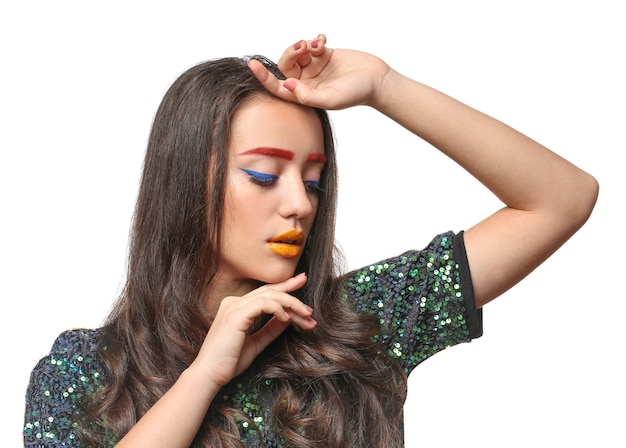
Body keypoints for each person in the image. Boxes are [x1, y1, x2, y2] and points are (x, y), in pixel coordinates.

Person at [23, 34, 598, 448]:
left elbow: (560, 199)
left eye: (314, 180)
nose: (300, 203)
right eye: (265, 176)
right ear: (183, 181)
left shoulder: (360, 324)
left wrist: (383, 86)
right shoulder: (83, 373)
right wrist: (204, 376)